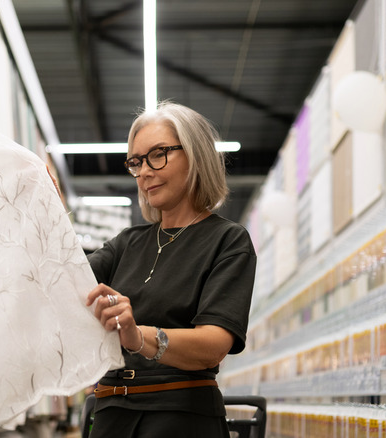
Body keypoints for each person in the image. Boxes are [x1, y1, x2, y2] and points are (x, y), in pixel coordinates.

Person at [84, 102, 257, 437]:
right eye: (136, 161)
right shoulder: (125, 244)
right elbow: (63, 282)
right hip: (110, 414)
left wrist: (138, 337)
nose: (145, 170)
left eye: (158, 154)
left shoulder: (227, 241)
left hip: (180, 416)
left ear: (196, 156)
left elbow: (212, 346)